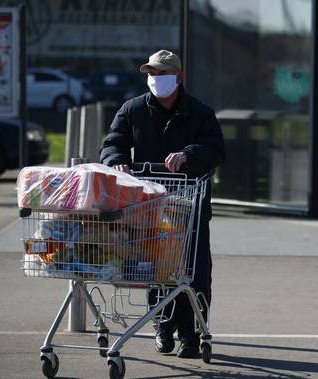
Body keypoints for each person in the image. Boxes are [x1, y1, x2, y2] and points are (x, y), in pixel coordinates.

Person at [100, 50, 225, 358]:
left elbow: (216, 149)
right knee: (156, 268)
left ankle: (192, 335)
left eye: (161, 73)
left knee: (192, 271)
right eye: (151, 74)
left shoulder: (199, 113)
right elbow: (112, 143)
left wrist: (189, 154)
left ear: (178, 77)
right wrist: (117, 161)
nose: (154, 79)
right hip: (150, 207)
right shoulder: (133, 110)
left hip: (189, 206)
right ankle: (162, 326)